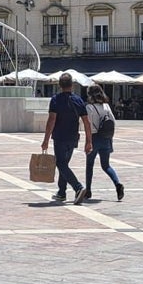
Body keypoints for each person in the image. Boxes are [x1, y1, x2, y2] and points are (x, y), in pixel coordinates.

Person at [41, 72, 92, 204]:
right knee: (64, 164)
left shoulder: (55, 100)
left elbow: (51, 120)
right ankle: (61, 192)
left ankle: (78, 187)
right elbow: (86, 122)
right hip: (73, 138)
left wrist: (46, 139)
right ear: (72, 85)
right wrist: (89, 141)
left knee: (61, 164)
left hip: (60, 137)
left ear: (59, 85)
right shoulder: (78, 100)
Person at [84, 85, 125, 201]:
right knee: (106, 165)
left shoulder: (89, 107)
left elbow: (89, 126)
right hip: (106, 138)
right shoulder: (106, 106)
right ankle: (117, 184)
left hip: (94, 138)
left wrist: (88, 141)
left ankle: (88, 190)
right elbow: (113, 122)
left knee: (89, 165)